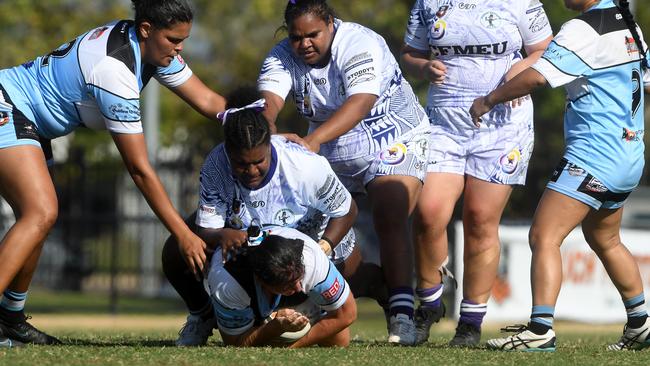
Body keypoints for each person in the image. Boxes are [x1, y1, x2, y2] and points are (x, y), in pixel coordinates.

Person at [0, 0, 226, 347]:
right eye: (174, 39)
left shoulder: (151, 50)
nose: (181, 48)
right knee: (41, 212)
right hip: (9, 105)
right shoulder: (114, 70)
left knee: (36, 219)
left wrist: (258, 125)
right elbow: (139, 170)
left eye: (184, 39)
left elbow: (211, 103)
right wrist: (183, 234)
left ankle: (10, 320)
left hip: (28, 118)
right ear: (147, 30)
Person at [470, 0, 650, 352]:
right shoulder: (628, 24)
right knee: (605, 239)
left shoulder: (584, 28)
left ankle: (540, 330)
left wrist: (490, 99)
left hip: (595, 156)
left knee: (544, 235)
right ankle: (641, 324)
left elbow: (538, 76)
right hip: (629, 155)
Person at [258, 0, 431, 345]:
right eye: (296, 37)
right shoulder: (280, 56)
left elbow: (360, 101)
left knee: (388, 212)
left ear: (331, 24)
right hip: (333, 149)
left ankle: (402, 314)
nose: (304, 43)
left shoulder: (359, 42)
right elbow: (268, 104)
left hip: (393, 136)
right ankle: (369, 285)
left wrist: (312, 141)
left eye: (313, 35)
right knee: (321, 234)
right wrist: (263, 133)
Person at [161, 86, 387, 346]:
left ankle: (380, 288)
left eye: (259, 161)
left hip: (310, 242)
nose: (251, 171)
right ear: (227, 153)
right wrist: (223, 234)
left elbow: (347, 210)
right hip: (254, 247)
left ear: (270, 143)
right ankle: (203, 317)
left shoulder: (303, 166)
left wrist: (322, 247)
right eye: (241, 164)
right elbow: (206, 230)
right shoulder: (216, 165)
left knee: (346, 300)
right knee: (179, 250)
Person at [400, 0, 553, 346]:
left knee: (480, 219)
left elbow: (546, 48)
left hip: (502, 122)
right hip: (444, 122)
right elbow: (409, 53)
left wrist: (518, 72)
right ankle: (429, 304)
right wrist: (422, 67)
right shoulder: (428, 1)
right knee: (427, 213)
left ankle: (470, 322)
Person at [208, 226, 356, 347]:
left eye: (299, 278)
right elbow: (235, 343)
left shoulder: (311, 258)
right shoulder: (229, 282)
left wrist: (294, 346)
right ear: (261, 281)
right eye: (288, 286)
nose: (298, 288)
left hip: (294, 281)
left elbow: (347, 313)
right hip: (246, 299)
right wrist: (273, 328)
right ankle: (205, 319)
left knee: (339, 342)